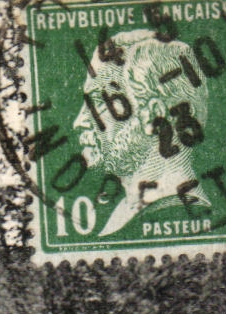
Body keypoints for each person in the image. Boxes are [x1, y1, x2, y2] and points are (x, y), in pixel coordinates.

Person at [70, 28, 213, 238]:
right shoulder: (125, 214)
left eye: (99, 102)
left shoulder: (172, 214)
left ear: (154, 115)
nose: (79, 122)